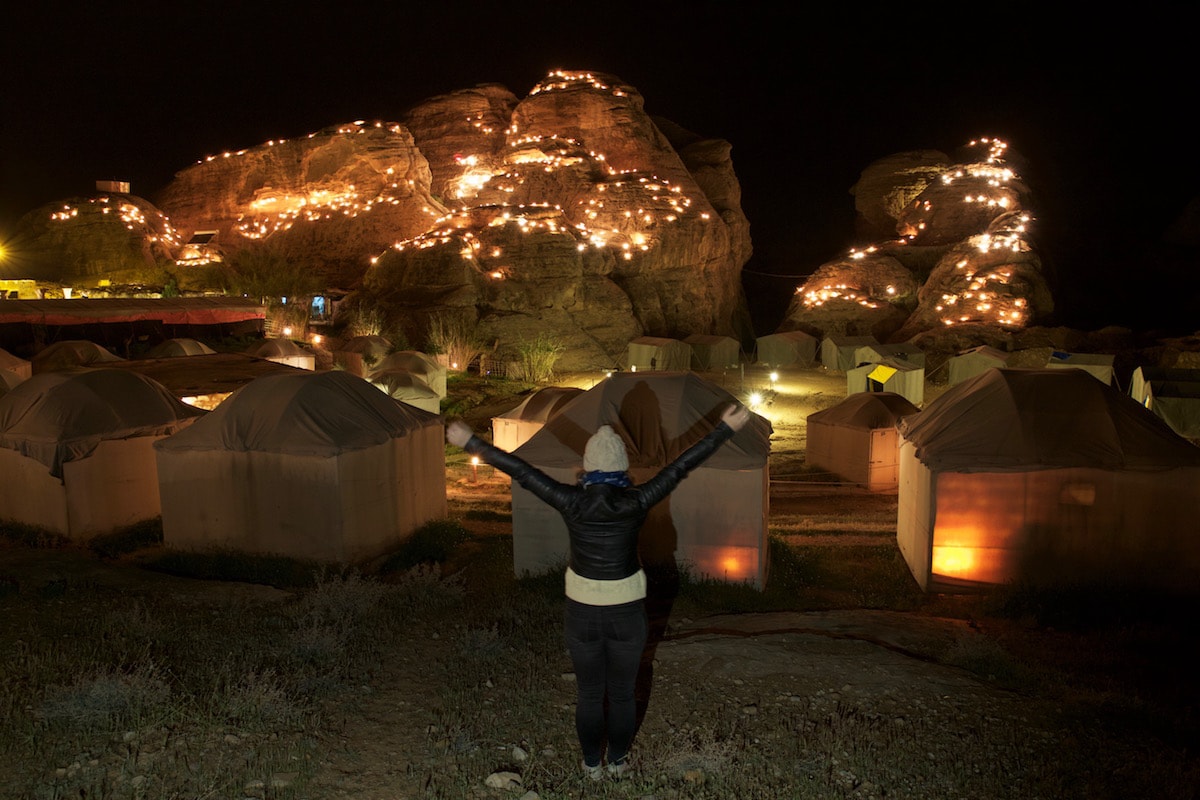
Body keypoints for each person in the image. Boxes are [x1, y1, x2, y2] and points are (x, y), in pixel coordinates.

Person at [446, 403, 751, 781]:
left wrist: (469, 441)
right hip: (626, 612)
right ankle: (619, 761)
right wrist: (725, 429)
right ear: (622, 469)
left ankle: (592, 765)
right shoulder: (638, 500)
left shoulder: (570, 500)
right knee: (622, 693)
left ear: (589, 468)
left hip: (583, 613)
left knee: (590, 694)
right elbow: (681, 466)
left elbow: (521, 472)